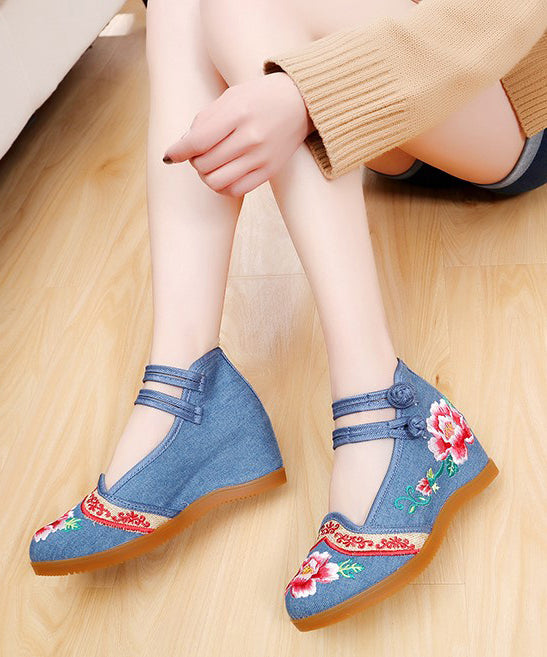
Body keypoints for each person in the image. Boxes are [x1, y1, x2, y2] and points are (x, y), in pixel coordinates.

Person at [28, 0, 544, 630]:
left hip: (499, 89)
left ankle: (379, 402)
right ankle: (184, 383)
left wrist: (306, 94)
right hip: (378, 115)